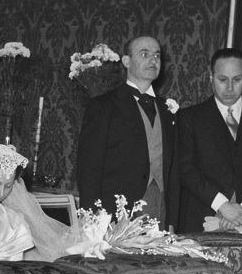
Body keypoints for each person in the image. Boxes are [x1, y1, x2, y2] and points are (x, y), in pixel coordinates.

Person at [76, 34, 181, 228]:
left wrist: (173, 221)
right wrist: (91, 220)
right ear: (126, 61)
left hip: (159, 207)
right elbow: (89, 168)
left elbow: (174, 171)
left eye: (157, 56)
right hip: (115, 211)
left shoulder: (168, 110)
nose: (153, 60)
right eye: (144, 54)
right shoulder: (103, 106)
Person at [178, 48, 242, 234]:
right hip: (201, 219)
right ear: (211, 78)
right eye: (222, 79)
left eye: (237, 80)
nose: (229, 88)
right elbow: (186, 169)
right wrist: (222, 205)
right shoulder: (189, 118)